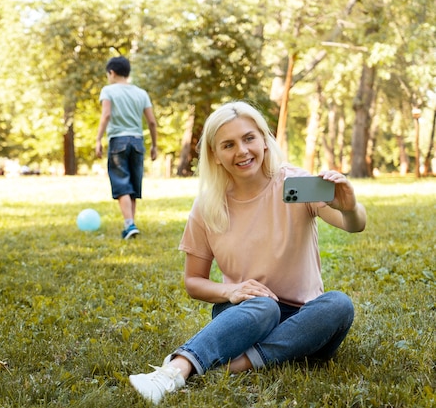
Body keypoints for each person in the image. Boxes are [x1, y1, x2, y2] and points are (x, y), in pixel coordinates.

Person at [129, 101, 367, 404]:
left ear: (265, 141)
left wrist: (350, 208)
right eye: (228, 144)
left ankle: (233, 364)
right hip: (247, 314)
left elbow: (352, 225)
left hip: (306, 320)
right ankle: (176, 369)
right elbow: (194, 282)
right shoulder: (207, 206)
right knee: (266, 307)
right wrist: (232, 291)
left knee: (338, 304)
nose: (242, 151)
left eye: (249, 138)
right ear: (215, 155)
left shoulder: (295, 184)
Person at [96, 56, 158, 239]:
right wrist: (154, 145)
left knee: (122, 184)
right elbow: (152, 122)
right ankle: (131, 225)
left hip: (118, 141)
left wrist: (98, 139)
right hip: (138, 141)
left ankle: (129, 224)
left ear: (111, 73)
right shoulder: (141, 93)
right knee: (133, 185)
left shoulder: (108, 91)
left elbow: (106, 115)